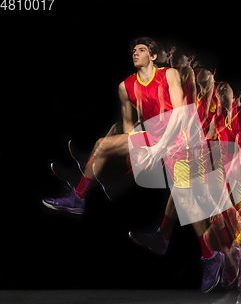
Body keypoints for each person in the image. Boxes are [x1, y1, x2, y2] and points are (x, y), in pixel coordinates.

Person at [42, 37, 184, 214]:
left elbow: (180, 113)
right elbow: (127, 123)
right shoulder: (125, 86)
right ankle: (79, 197)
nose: (135, 53)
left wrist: (161, 146)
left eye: (141, 50)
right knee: (102, 144)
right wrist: (134, 146)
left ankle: (104, 182)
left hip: (175, 138)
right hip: (152, 137)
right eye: (134, 51)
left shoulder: (169, 74)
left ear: (153, 56)